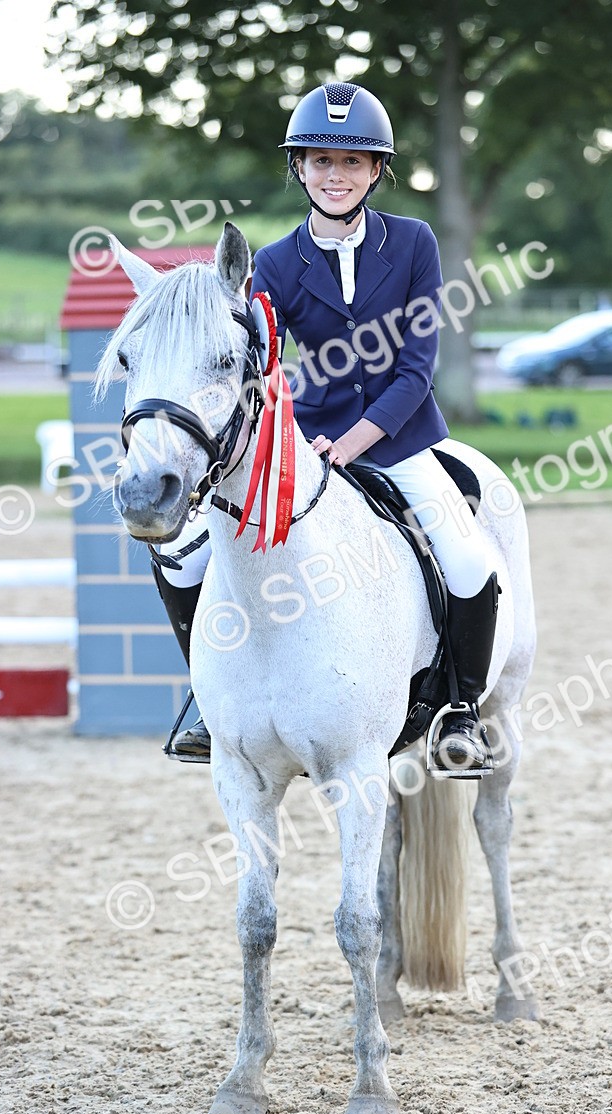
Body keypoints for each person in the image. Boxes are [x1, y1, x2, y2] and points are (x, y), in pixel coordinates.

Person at [154, 82, 498, 774]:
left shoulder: (414, 244)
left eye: (351, 162)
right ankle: (204, 697)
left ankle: (459, 710)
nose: (335, 176)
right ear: (299, 170)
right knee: (185, 555)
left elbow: (415, 370)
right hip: (301, 442)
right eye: (319, 162)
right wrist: (286, 437)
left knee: (468, 558)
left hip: (399, 436)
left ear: (376, 172)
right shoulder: (274, 265)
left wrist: (349, 445)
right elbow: (262, 365)